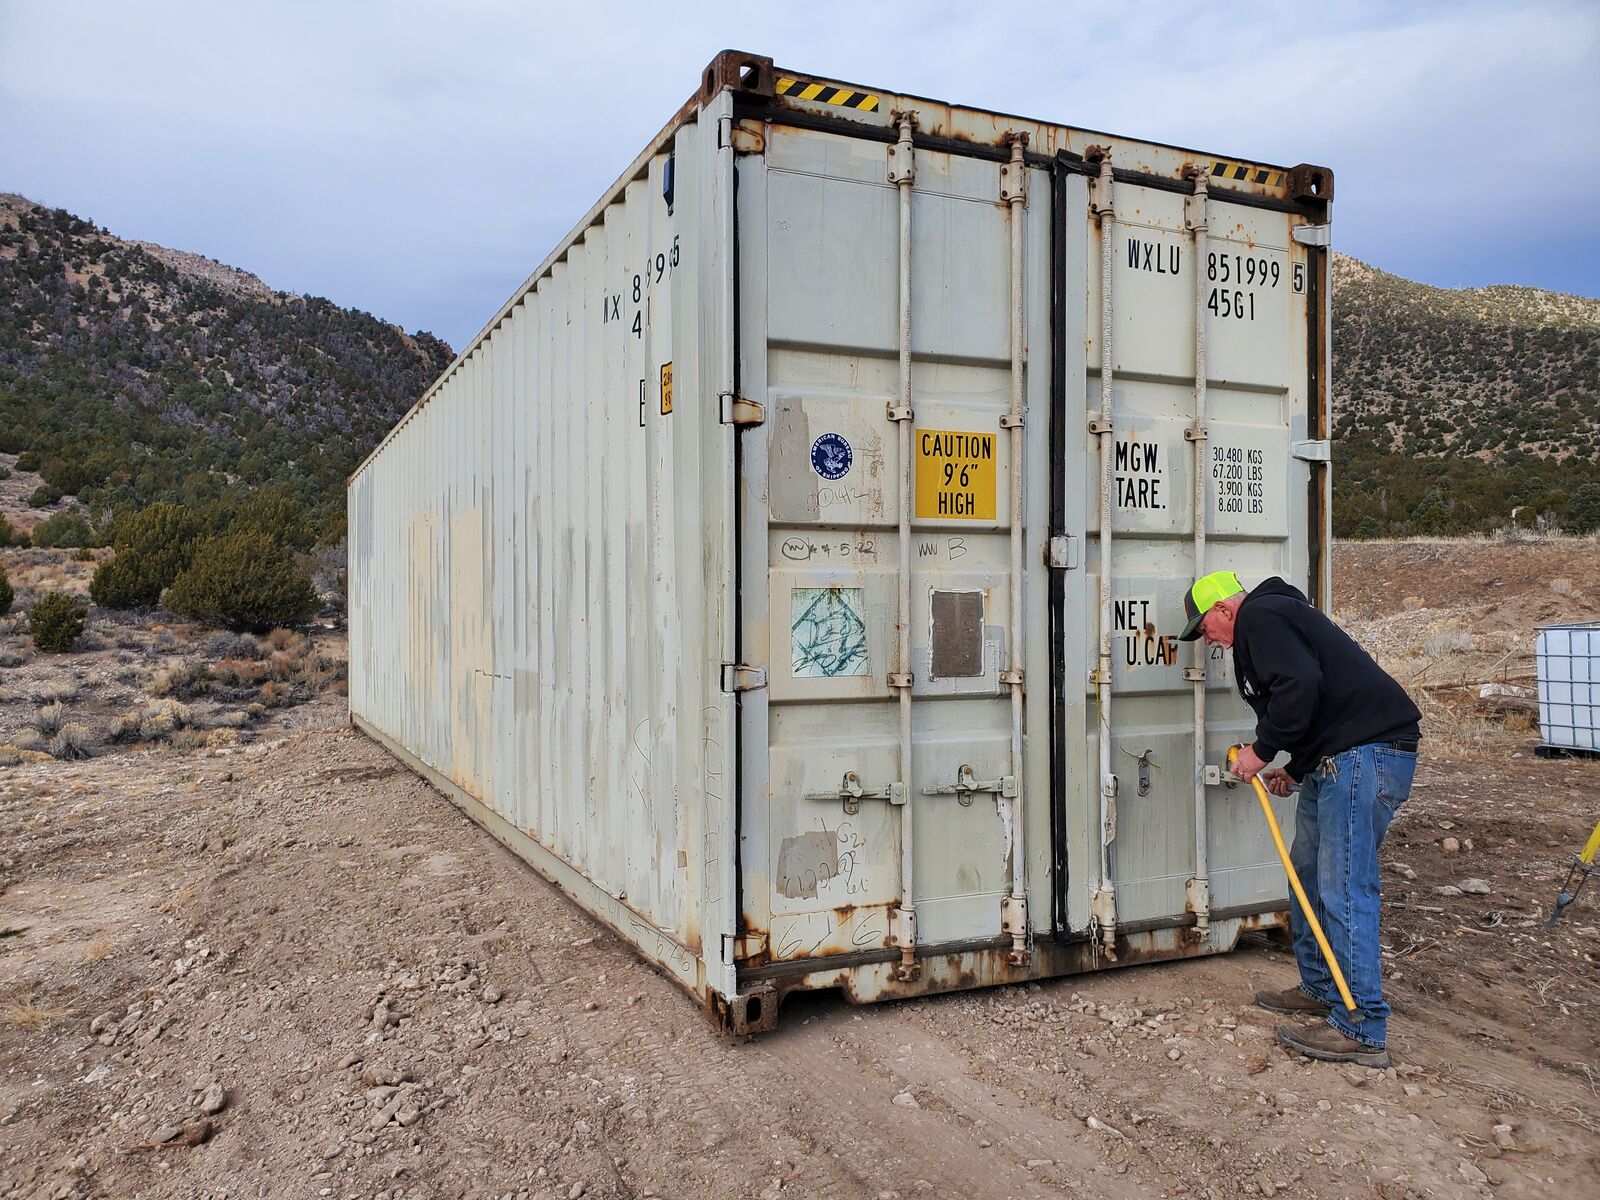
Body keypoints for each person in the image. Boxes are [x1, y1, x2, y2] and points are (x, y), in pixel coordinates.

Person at [1177, 569, 1422, 1068]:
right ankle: (1321, 987)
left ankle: (1362, 1025)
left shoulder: (1260, 618)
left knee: (1344, 887)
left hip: (1363, 758)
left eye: (1206, 629)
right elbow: (1323, 701)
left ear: (1224, 610)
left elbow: (1300, 685)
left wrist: (1261, 752)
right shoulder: (1275, 618)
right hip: (1341, 758)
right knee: (1306, 874)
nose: (1210, 641)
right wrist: (1298, 768)